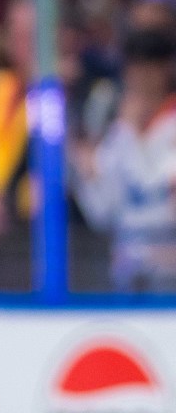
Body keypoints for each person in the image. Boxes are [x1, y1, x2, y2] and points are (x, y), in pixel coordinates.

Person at [73, 28, 176, 292]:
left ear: (165, 69)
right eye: (134, 68)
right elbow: (101, 211)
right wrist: (85, 172)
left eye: (148, 67)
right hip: (127, 266)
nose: (140, 78)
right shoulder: (119, 130)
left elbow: (151, 184)